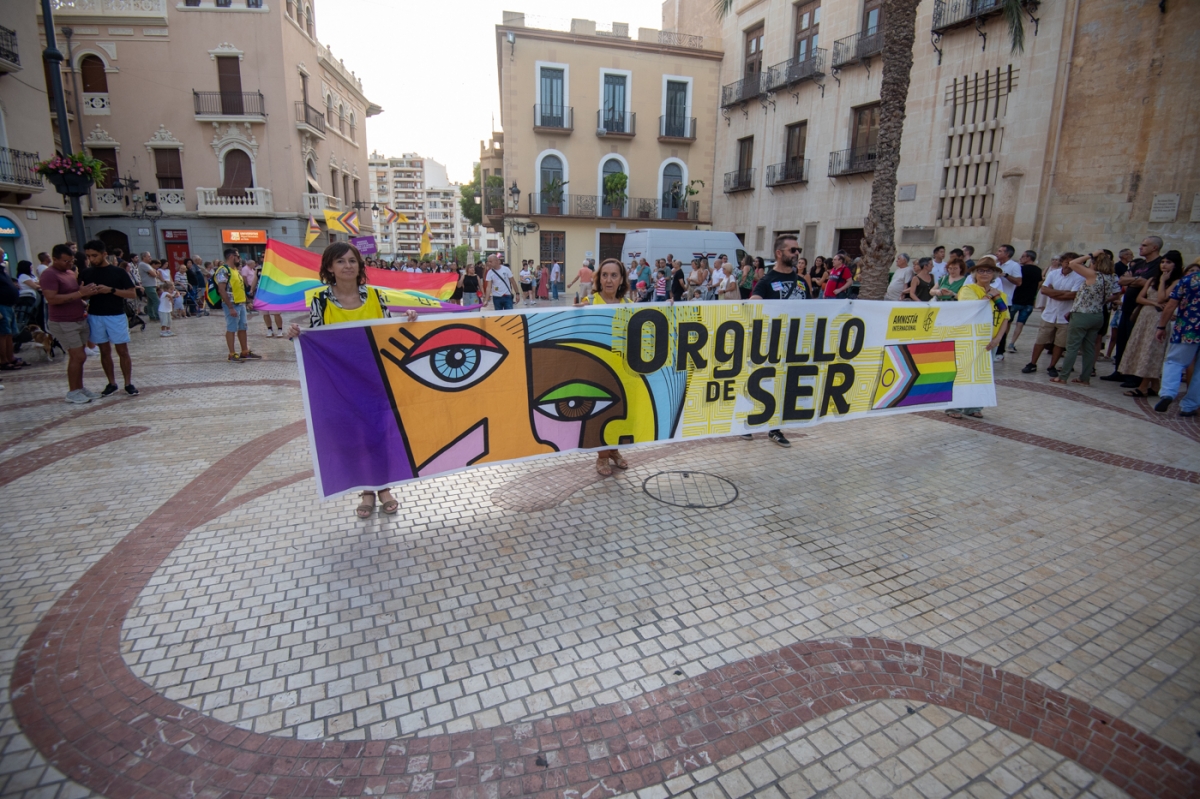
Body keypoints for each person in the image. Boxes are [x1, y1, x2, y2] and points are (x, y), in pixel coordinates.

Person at [288, 242, 418, 515]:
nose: (347, 266)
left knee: (379, 435)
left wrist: (406, 319)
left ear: (360, 265)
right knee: (355, 437)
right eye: (340, 261)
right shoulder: (320, 302)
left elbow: (387, 332)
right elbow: (317, 340)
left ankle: (384, 488)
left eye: (352, 260)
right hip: (341, 386)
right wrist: (297, 335)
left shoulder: (376, 297)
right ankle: (366, 491)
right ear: (329, 268)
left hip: (375, 381)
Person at [747, 234, 810, 448]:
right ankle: (748, 423)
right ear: (779, 253)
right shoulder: (766, 281)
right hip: (769, 344)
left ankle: (774, 429)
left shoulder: (802, 282)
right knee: (761, 383)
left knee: (783, 386)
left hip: (792, 343)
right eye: (793, 250)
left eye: (798, 250)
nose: (797, 254)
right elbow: (753, 306)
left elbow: (812, 311)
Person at [573, 258, 634, 476]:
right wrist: (576, 313)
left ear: (622, 279)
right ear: (600, 278)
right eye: (605, 275)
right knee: (601, 413)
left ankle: (614, 451)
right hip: (598, 370)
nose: (609, 280)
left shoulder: (629, 305)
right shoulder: (591, 301)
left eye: (614, 275)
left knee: (620, 412)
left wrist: (670, 308)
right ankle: (601, 456)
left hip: (623, 370)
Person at [945, 257, 1009, 419]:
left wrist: (998, 339)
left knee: (983, 374)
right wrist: (990, 296)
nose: (985, 274)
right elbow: (972, 310)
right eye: (981, 270)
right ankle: (955, 408)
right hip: (969, 338)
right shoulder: (968, 290)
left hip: (990, 340)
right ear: (975, 273)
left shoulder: (1001, 295)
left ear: (994, 274)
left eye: (988, 271)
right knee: (963, 373)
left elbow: (1005, 317)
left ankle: (974, 406)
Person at [78, 240, 140, 396]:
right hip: (95, 314)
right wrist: (87, 293)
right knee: (104, 351)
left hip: (116, 314)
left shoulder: (118, 272)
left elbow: (132, 293)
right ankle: (111, 382)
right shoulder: (86, 273)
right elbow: (81, 295)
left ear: (104, 254)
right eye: (88, 256)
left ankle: (128, 383)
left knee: (122, 350)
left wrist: (110, 290)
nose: (92, 259)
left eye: (95, 255)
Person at [1051, 251, 1120, 386]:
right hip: (1097, 315)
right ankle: (1085, 377)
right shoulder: (1111, 277)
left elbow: (1073, 263)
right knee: (1089, 348)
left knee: (1072, 347)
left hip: (1082, 314)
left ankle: (1063, 376)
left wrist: (1090, 254)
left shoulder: (1093, 275)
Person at [1121, 251, 1183, 398]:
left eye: (1168, 262)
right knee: (1142, 348)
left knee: (1151, 350)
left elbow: (1163, 298)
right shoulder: (1152, 279)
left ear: (1176, 264)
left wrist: (1163, 281)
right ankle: (1155, 385)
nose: (1164, 265)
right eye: (1163, 262)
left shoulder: (1176, 281)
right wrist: (1153, 301)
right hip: (1145, 316)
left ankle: (1143, 387)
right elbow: (1140, 298)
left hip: (1159, 318)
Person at [1104, 236, 1162, 383]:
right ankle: (1120, 371)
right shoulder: (1139, 264)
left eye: (1144, 245)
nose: (1140, 248)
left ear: (1155, 247)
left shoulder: (1158, 264)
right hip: (1127, 307)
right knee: (1122, 340)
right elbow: (1122, 280)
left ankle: (1134, 376)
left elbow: (1145, 283)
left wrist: (1134, 280)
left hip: (1141, 310)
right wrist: (1136, 280)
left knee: (1136, 342)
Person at [1022, 254, 1083, 376]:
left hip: (1065, 315)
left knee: (1060, 343)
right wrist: (1062, 293)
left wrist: (1053, 292)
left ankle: (1052, 366)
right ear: (1062, 262)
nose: (1068, 264)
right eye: (1066, 262)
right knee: (1041, 340)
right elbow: (1044, 290)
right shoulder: (1053, 274)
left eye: (1072, 262)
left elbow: (1072, 295)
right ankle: (1032, 363)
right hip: (1049, 313)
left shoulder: (1079, 278)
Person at [1153, 261, 1200, 416]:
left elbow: (1171, 304)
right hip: (1190, 328)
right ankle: (1189, 406)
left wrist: (1161, 326)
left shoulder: (1189, 280)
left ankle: (1168, 393)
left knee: (1174, 362)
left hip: (1188, 328)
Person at [215, 248, 261, 363]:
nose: (239, 259)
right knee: (231, 328)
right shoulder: (223, 270)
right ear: (231, 257)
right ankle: (232, 353)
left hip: (240, 304)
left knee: (243, 328)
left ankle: (244, 351)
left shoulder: (235, 270)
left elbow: (239, 287)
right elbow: (222, 289)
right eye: (238, 256)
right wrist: (230, 307)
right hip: (232, 304)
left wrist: (247, 302)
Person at [1006, 250, 1043, 353]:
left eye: (1023, 256)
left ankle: (1003, 342)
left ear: (1028, 258)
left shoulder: (1020, 269)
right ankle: (1012, 343)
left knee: (1008, 322)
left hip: (1016, 298)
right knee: (1020, 324)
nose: (1020, 258)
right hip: (1029, 301)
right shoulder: (1038, 270)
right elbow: (1039, 284)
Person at [136, 252, 160, 323]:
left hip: (151, 284)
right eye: (148, 256)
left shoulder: (147, 265)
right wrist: (155, 273)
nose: (150, 258)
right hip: (148, 285)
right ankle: (157, 315)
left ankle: (151, 315)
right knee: (156, 300)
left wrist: (155, 272)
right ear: (144, 257)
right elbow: (154, 274)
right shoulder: (143, 264)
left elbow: (155, 272)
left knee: (150, 301)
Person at [157, 261, 178, 337]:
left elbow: (175, 293)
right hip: (163, 310)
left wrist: (177, 293)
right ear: (166, 289)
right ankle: (163, 331)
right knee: (164, 321)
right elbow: (169, 296)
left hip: (168, 310)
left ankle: (168, 330)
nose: (172, 291)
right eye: (171, 289)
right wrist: (172, 298)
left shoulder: (170, 292)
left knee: (169, 321)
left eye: (172, 289)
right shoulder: (164, 293)